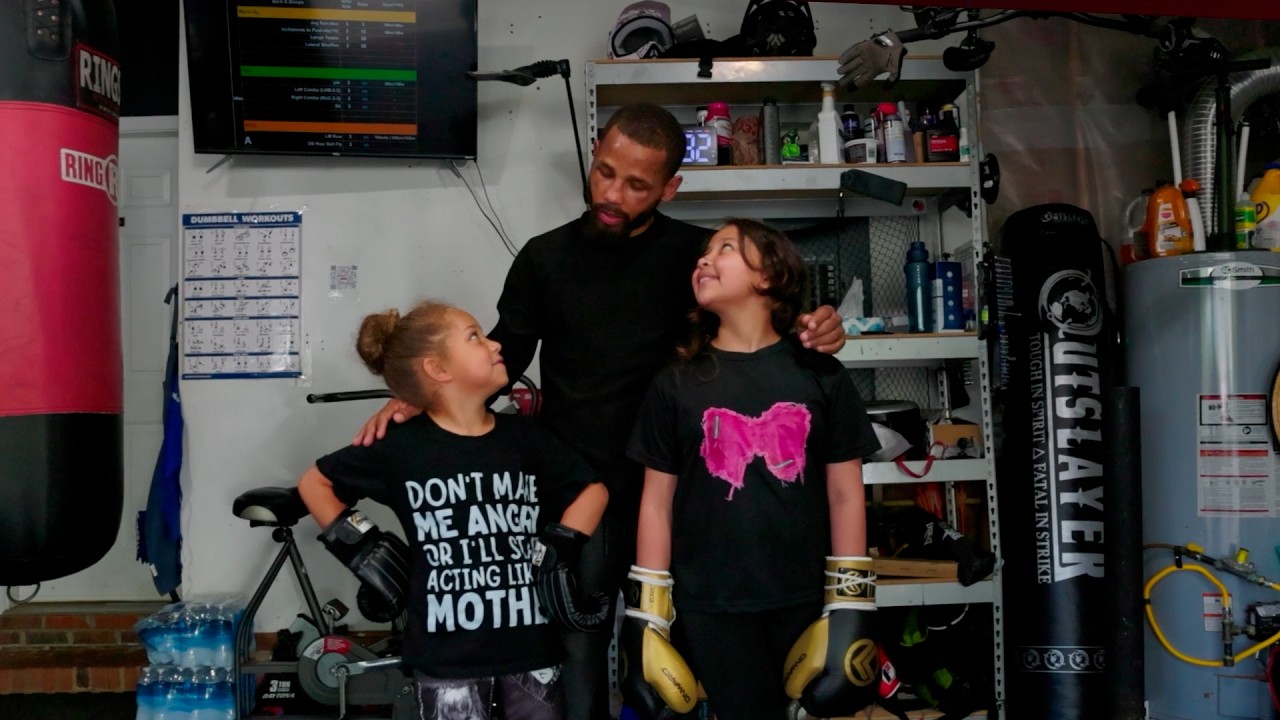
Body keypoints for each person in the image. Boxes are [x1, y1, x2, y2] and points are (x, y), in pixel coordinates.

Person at [353, 104, 848, 720]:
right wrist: (421, 393)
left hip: (685, 493)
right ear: (594, 156)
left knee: (691, 655)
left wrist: (815, 327)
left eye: (637, 185)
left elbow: (760, 327)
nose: (612, 194)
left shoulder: (696, 262)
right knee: (578, 650)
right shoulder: (544, 258)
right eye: (605, 172)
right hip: (581, 491)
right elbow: (503, 356)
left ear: (670, 187)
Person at [622, 219, 882, 720]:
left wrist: (851, 602)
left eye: (725, 248)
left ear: (769, 276)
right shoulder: (675, 384)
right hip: (711, 602)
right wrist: (647, 613)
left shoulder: (821, 374)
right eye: (704, 252)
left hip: (805, 594)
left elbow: (846, 493)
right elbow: (656, 502)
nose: (704, 259)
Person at [299, 300, 609, 720]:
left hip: (528, 645)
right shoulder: (402, 447)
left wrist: (556, 554)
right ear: (437, 369)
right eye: (474, 337)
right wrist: (366, 551)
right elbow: (315, 483)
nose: (495, 344)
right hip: (443, 652)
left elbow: (591, 490)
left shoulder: (525, 438)